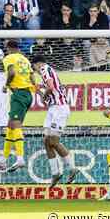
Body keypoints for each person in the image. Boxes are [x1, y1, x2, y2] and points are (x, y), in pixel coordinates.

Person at [0, 40, 35, 172]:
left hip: (18, 94)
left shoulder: (9, 58)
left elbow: (12, 73)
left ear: (8, 48)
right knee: (10, 126)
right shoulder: (25, 59)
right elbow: (33, 79)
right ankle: (3, 161)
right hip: (28, 95)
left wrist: (6, 85)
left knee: (16, 125)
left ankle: (20, 159)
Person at [31, 55, 78, 187]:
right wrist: (38, 90)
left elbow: (50, 88)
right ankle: (55, 173)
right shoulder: (45, 74)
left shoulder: (45, 69)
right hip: (53, 109)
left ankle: (72, 168)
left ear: (37, 64)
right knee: (46, 141)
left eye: (33, 66)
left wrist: (43, 94)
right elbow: (47, 93)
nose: (34, 70)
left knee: (53, 141)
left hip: (60, 109)